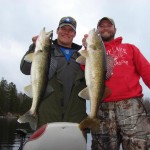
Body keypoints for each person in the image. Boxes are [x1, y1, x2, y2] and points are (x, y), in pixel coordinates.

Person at [82, 17, 150, 150]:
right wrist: (86, 50)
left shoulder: (130, 48)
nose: (105, 28)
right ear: (97, 31)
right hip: (102, 106)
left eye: (109, 25)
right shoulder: (89, 53)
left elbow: (147, 70)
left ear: (115, 29)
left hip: (131, 107)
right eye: (101, 26)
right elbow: (85, 71)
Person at [20, 16, 87, 129]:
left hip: (76, 119)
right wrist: (33, 47)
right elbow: (25, 69)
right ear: (57, 31)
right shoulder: (47, 52)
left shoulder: (82, 57)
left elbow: (98, 75)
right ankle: (33, 112)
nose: (66, 32)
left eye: (70, 30)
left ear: (74, 34)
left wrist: (90, 50)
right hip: (47, 118)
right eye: (63, 29)